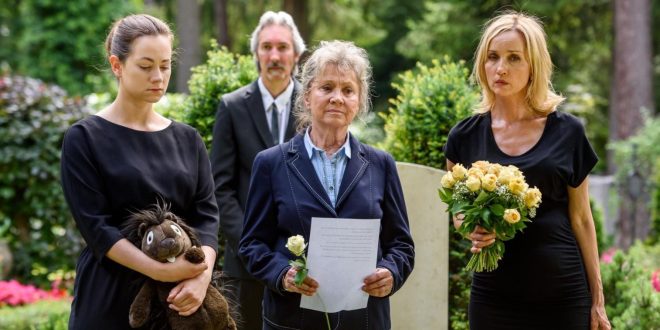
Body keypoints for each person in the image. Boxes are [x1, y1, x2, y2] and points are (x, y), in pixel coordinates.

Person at [444, 12, 610, 330]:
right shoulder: (463, 136)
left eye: (514, 58)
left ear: (533, 65)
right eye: (493, 57)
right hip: (493, 298)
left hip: (562, 296)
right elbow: (458, 211)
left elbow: (582, 219)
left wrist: (597, 299)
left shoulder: (568, 131)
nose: (500, 68)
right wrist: (471, 229)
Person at [238, 40, 415, 330]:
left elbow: (401, 244)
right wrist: (282, 273)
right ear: (307, 96)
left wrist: (390, 272)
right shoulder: (270, 163)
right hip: (292, 319)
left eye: (348, 90)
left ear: (359, 102)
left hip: (365, 319)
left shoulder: (381, 164)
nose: (337, 98)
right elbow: (251, 245)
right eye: (326, 87)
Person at [61, 14, 219, 329]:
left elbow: (207, 217)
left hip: (179, 303)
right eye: (146, 66)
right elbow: (97, 228)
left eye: (165, 65)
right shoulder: (84, 138)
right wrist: (159, 270)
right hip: (108, 300)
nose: (158, 76)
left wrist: (200, 278)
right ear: (117, 65)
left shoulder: (188, 139)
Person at [209, 10, 305, 330]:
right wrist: (249, 244)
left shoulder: (314, 106)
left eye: (282, 47)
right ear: (256, 54)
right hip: (245, 263)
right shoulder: (232, 107)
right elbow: (220, 186)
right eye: (266, 47)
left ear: (296, 54)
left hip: (303, 261)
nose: (274, 55)